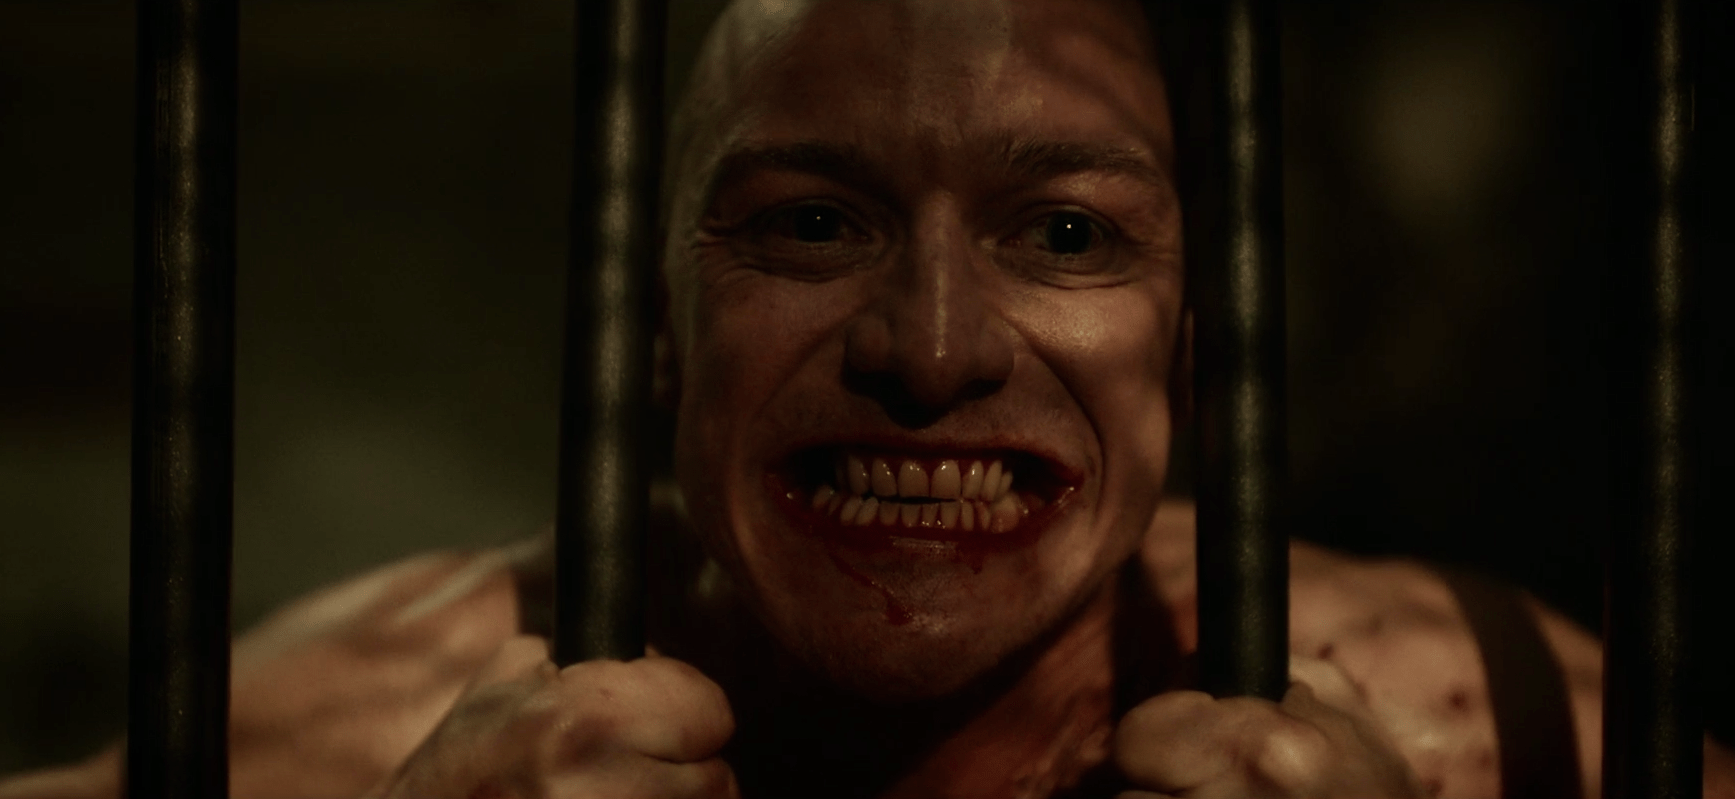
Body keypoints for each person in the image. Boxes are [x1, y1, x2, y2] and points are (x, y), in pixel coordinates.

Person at [4, 0, 1732, 797]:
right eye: (811, 223)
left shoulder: (1503, 734)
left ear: (1195, 359)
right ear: (657, 341)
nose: (930, 347)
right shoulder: (340, 742)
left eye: (1064, 233)